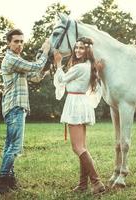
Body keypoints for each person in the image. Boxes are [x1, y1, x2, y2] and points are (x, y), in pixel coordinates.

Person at [0, 29, 51, 194]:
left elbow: (34, 75)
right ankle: (1, 184)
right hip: (15, 107)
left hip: (15, 108)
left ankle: (9, 180)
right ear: (8, 43)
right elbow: (35, 66)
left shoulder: (17, 60)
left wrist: (47, 68)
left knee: (9, 146)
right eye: (16, 41)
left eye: (21, 41)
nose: (19, 44)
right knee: (15, 147)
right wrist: (45, 52)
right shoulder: (11, 59)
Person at [53, 37, 105, 195]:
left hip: (76, 103)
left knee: (77, 147)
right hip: (82, 102)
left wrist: (58, 63)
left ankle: (97, 182)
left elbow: (61, 79)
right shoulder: (89, 66)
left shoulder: (80, 67)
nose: (77, 51)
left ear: (87, 50)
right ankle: (83, 184)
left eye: (81, 48)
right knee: (82, 147)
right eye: (76, 48)